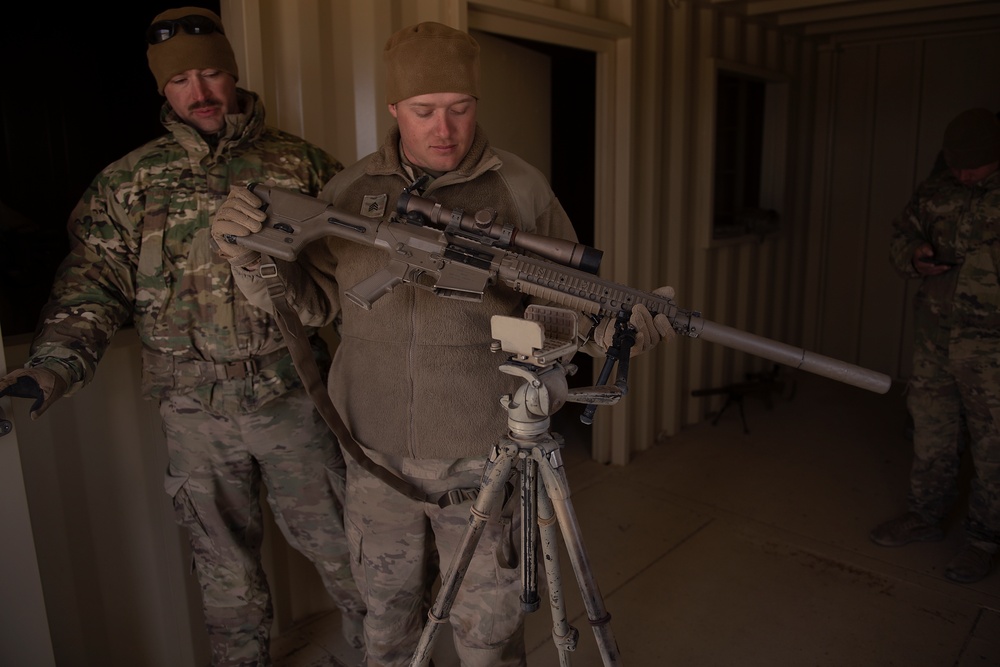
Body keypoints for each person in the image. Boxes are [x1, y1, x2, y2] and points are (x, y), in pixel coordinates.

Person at [211, 21, 675, 666]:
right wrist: (245, 256)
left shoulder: (521, 188)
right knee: (388, 621)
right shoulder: (347, 191)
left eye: (459, 109)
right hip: (373, 455)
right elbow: (313, 303)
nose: (444, 129)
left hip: (483, 456)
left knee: (487, 635)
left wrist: (613, 329)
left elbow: (564, 299)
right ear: (395, 108)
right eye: (424, 111)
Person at [0, 7, 365, 665]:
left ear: (233, 73)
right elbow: (91, 285)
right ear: (161, 90)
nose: (198, 93)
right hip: (192, 409)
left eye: (211, 74)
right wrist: (51, 365)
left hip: (293, 393)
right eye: (180, 82)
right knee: (222, 568)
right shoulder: (128, 182)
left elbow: (353, 282)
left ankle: (389, 654)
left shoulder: (303, 164)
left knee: (345, 544)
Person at [872, 107, 1000, 584]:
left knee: (994, 445)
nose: (965, 175)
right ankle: (925, 516)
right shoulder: (937, 186)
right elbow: (902, 234)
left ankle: (984, 539)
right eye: (959, 165)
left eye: (977, 166)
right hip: (935, 338)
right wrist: (914, 257)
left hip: (993, 350)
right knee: (931, 432)